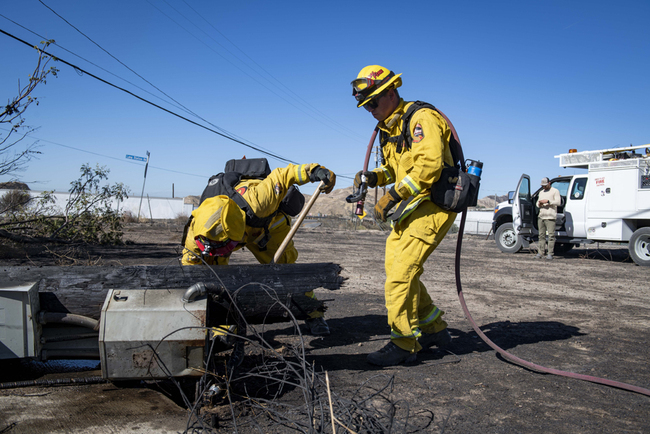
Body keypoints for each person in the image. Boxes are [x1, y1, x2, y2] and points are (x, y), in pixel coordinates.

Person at [351, 65, 456, 366]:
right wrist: (374, 178)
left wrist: (393, 195)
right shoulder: (389, 129)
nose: (370, 110)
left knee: (400, 276)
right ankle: (434, 329)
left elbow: (429, 166)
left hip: (433, 206)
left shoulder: (420, 119)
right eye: (365, 105)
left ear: (391, 91)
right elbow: (396, 170)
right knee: (398, 269)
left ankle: (404, 342)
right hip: (412, 208)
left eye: (373, 102)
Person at [182, 162, 336, 336]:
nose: (224, 252)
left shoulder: (258, 200)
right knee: (215, 279)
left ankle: (313, 313)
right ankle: (224, 328)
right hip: (221, 239)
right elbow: (189, 264)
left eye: (227, 246)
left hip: (267, 227)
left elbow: (283, 175)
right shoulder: (198, 231)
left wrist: (315, 171)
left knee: (289, 271)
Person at [535, 177, 561, 260]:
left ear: (549, 183)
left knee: (551, 235)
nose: (544, 187)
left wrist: (548, 201)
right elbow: (537, 203)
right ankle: (540, 252)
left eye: (545, 185)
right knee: (541, 235)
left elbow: (558, 202)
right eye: (542, 186)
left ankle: (550, 253)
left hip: (550, 216)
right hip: (541, 215)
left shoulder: (555, 191)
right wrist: (539, 204)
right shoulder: (541, 192)